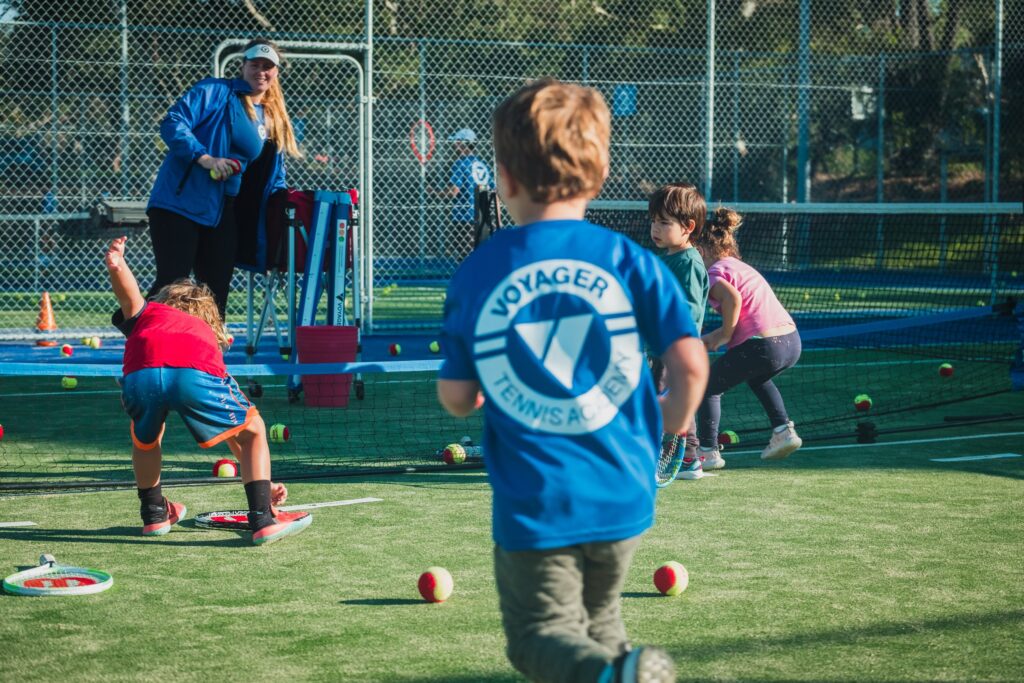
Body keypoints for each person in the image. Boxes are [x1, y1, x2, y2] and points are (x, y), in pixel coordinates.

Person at [436, 79, 708, 683]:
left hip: (538, 503)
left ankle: (621, 674)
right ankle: (624, 670)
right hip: (625, 494)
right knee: (601, 625)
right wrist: (672, 420)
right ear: (600, 172)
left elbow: (457, 399)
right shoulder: (631, 260)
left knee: (541, 640)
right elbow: (691, 364)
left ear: (503, 177)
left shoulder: (481, 270)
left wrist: (479, 387)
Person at [105, 236, 311, 546]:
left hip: (140, 376)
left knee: (145, 440)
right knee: (252, 429)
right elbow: (234, 434)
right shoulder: (200, 334)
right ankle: (263, 519)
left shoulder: (150, 314)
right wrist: (263, 485)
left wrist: (117, 266)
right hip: (193, 372)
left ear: (164, 300)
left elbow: (130, 297)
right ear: (208, 316)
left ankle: (153, 515)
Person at [146, 38, 300, 317]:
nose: (261, 71)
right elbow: (173, 123)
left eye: (268, 66)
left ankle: (208, 355)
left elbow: (273, 176)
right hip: (180, 204)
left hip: (223, 212)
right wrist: (205, 159)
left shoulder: (272, 117)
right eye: (255, 64)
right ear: (243, 66)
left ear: (276, 72)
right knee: (172, 285)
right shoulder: (215, 91)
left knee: (215, 291)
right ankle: (139, 334)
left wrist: (285, 203)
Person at [693, 207, 803, 466]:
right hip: (791, 341)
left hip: (763, 345)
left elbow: (732, 298)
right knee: (758, 378)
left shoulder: (713, 272)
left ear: (700, 251)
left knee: (708, 386)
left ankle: (707, 451)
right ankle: (783, 431)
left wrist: (723, 335)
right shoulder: (739, 266)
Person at [647, 182, 711, 479]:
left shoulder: (688, 261)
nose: (655, 228)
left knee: (661, 400)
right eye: (653, 221)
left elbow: (690, 308)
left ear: (688, 227)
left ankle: (658, 456)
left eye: (663, 222)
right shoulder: (666, 258)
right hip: (661, 346)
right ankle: (688, 459)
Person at [441, 127, 493, 261]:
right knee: (481, 255)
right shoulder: (482, 164)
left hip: (463, 217)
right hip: (483, 216)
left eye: (457, 142)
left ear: (462, 144)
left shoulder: (460, 164)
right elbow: (492, 188)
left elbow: (454, 191)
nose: (454, 145)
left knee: (465, 257)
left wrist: (434, 192)